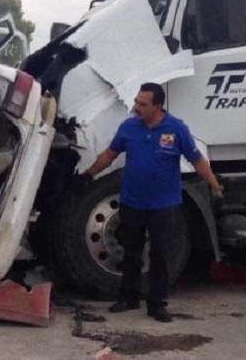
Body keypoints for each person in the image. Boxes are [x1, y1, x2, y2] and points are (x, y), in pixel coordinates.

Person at [77, 82, 222, 323]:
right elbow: (109, 155)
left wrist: (214, 184)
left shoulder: (176, 129)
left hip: (163, 205)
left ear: (157, 106)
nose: (136, 107)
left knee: (160, 255)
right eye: (136, 101)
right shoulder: (129, 127)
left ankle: (157, 304)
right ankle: (128, 297)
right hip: (132, 202)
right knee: (131, 253)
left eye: (142, 104)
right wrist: (88, 174)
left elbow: (196, 159)